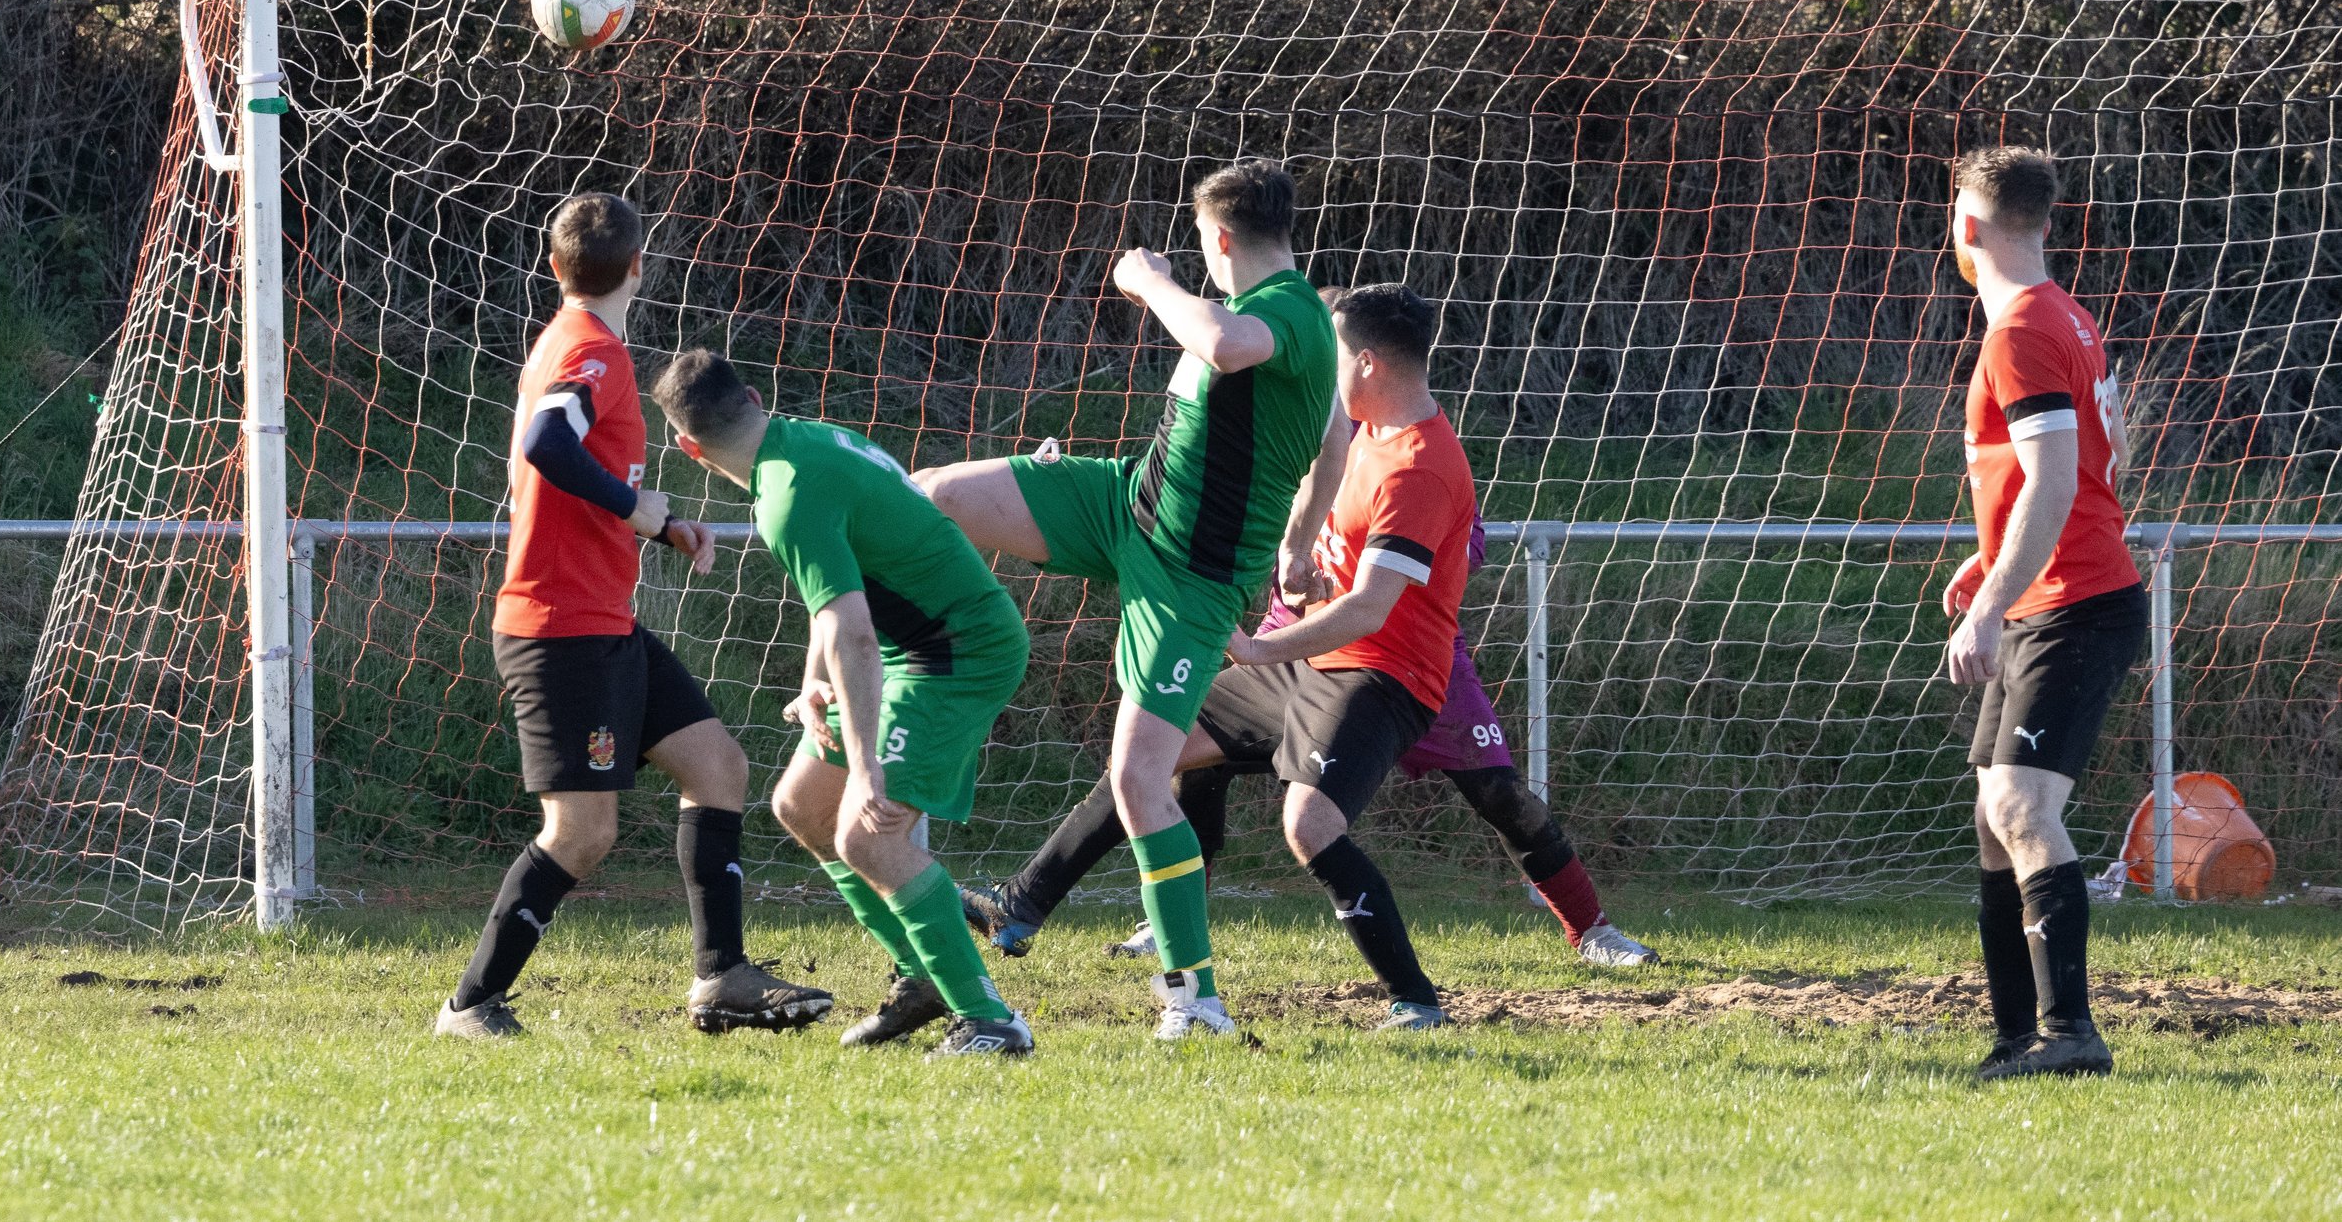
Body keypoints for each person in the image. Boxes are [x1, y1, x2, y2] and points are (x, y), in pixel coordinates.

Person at [917, 158, 1342, 1039]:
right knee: (931, 498)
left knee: (1141, 779)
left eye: (1200, 247)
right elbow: (1334, 439)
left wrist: (1152, 282)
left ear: (1218, 240)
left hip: (1191, 579)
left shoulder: (1288, 312)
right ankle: (926, 658)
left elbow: (1225, 348)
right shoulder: (1261, 318)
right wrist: (1301, 543)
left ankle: (1196, 1000)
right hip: (1124, 504)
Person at [433, 194, 832, 1040]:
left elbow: (552, 473)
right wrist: (641, 509)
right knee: (581, 832)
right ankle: (471, 1006)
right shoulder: (594, 353)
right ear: (642, 266)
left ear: (553, 267)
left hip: (602, 619)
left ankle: (721, 976)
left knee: (718, 767)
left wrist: (658, 524)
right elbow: (548, 445)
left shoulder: (560, 342)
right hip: (560, 628)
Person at [657, 349, 1036, 1057]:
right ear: (754, 395)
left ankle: (991, 1020)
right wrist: (812, 676)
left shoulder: (784, 497)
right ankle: (924, 978)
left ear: (687, 448)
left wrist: (866, 768)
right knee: (801, 806)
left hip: (959, 650)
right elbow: (838, 598)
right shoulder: (804, 441)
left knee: (868, 830)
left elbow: (855, 638)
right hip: (914, 646)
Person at [1104, 524, 1660, 971]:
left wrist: (1371, 570)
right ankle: (1174, 920)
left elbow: (1454, 550)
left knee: (1499, 792)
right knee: (1197, 750)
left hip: (1417, 660)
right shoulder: (1309, 449)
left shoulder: (1415, 452)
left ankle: (1593, 929)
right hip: (1306, 645)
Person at [1941, 146, 2142, 1081]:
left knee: (2021, 804)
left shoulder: (2018, 329)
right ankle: (2018, 1036)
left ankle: (2071, 1035)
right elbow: (2096, 461)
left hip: (2078, 606)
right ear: (2047, 223)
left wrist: (1988, 603)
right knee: (1994, 814)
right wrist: (1992, 563)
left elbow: (2058, 481)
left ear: (1965, 229)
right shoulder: (2066, 313)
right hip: (2047, 593)